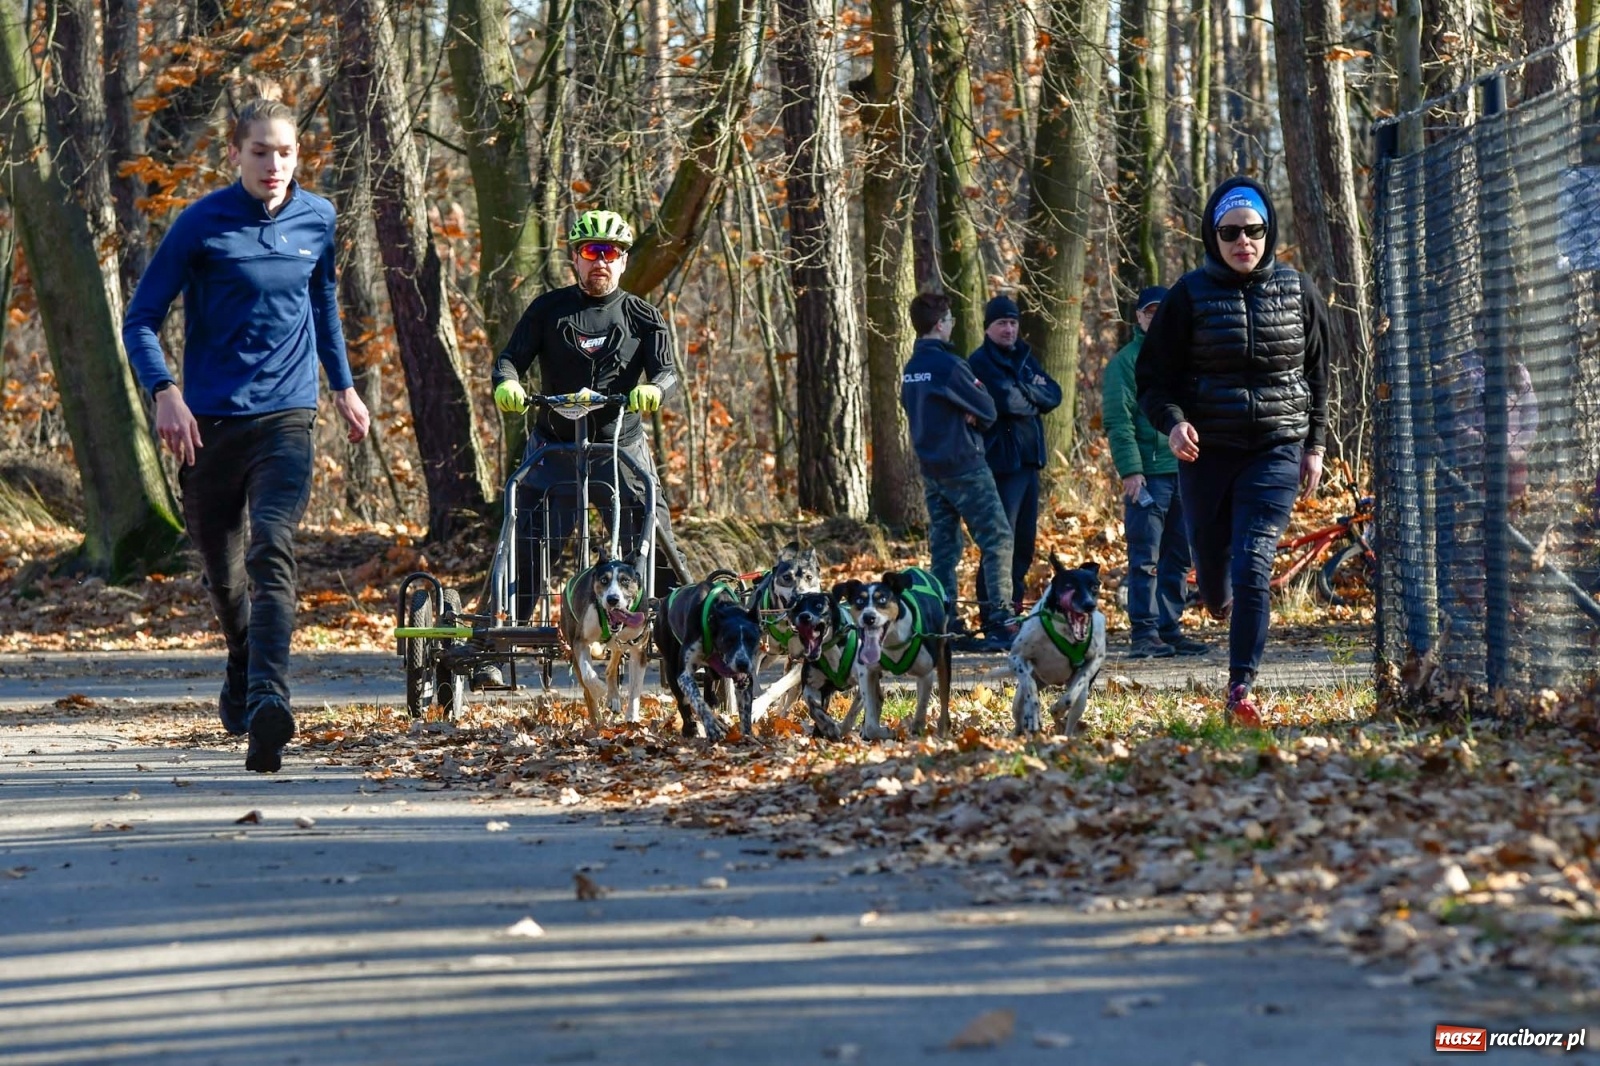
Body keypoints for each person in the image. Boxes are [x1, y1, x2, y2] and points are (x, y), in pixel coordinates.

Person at [122, 92, 370, 773]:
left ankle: (268, 699)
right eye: (260, 152)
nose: (274, 165)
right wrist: (165, 392)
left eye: (285, 152)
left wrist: (343, 386)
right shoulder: (201, 223)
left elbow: (323, 304)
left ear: (298, 155)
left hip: (288, 416)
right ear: (235, 153)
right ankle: (242, 662)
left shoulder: (318, 218)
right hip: (207, 425)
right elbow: (140, 319)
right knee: (224, 576)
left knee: (273, 548)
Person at [1136, 177, 1330, 724]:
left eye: (1254, 230)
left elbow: (1319, 373)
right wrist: (1173, 424)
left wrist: (1314, 445)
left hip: (1275, 448)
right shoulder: (1187, 296)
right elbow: (1153, 381)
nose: (1244, 241)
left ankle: (1240, 685)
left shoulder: (1298, 289)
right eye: (1230, 232)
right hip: (1207, 453)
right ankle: (1216, 595)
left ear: (1269, 232)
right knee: (1214, 576)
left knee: (1253, 562)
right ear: (1213, 236)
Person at [490, 209, 690, 621]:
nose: (600, 260)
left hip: (620, 450)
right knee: (525, 545)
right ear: (575, 258)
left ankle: (676, 623)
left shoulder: (643, 316)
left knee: (653, 539)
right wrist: (507, 383)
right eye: (590, 251)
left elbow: (668, 372)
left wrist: (655, 388)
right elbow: (510, 359)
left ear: (623, 260)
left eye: (610, 252)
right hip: (553, 451)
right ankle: (503, 629)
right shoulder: (547, 310)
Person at [900, 291, 1020, 650]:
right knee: (998, 539)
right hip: (965, 466)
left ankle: (945, 622)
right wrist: (970, 415)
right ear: (940, 325)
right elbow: (988, 408)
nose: (952, 325)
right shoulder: (949, 366)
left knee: (944, 550)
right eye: (950, 320)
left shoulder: (911, 369)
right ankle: (1001, 619)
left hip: (931, 470)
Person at [1103, 286, 1208, 659]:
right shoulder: (1124, 364)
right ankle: (1144, 633)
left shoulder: (1189, 356)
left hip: (1186, 471)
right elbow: (1118, 421)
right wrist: (1131, 470)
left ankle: (1169, 628)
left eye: (1163, 311)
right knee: (1145, 557)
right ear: (1139, 317)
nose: (1157, 318)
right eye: (1150, 312)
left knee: (1179, 555)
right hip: (1148, 476)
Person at [967, 294, 1062, 614]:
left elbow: (1054, 394)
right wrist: (1031, 392)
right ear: (988, 327)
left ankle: (1014, 608)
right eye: (1001, 323)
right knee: (1000, 543)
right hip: (1001, 464)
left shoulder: (1023, 356)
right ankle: (993, 614)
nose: (1008, 329)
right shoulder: (981, 361)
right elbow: (1007, 402)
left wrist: (1025, 389)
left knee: (1024, 543)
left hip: (1029, 462)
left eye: (1012, 322)